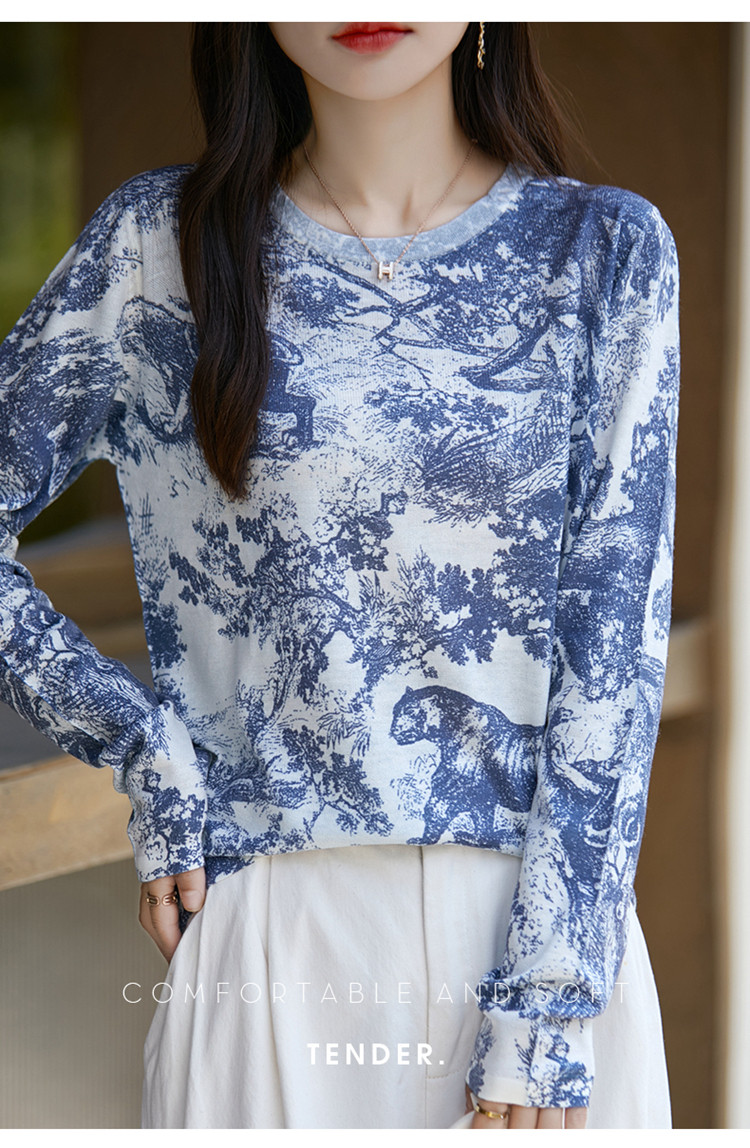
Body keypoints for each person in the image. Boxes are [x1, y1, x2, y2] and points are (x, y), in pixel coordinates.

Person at [0, 21, 678, 1130]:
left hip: (540, 945)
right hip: (271, 941)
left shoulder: (602, 252)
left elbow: (615, 649)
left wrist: (551, 1001)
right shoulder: (156, 251)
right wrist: (140, 742)